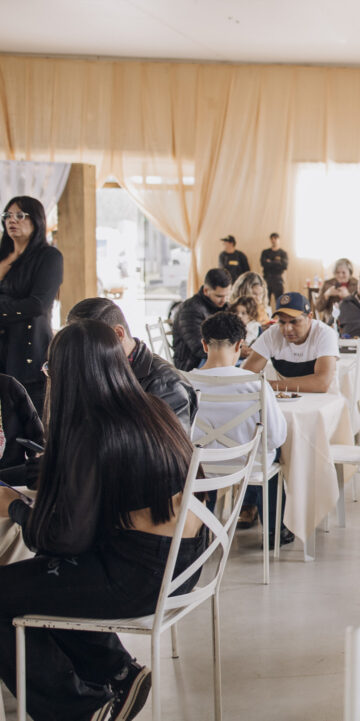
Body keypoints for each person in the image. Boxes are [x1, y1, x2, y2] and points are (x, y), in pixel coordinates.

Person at [0, 320, 207, 721]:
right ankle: (118, 672)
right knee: (37, 582)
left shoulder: (91, 428)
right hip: (183, 562)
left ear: (68, 375)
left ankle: (80, 708)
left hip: (139, 577)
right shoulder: (150, 408)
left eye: (50, 370)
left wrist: (13, 505)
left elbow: (63, 540)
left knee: (22, 583)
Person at [191, 311, 290, 543]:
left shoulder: (185, 381)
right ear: (239, 345)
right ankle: (275, 532)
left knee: (206, 462)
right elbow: (276, 437)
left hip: (199, 465)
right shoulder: (255, 384)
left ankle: (201, 530)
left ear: (204, 345)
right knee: (274, 457)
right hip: (249, 465)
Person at [66, 297, 198, 431]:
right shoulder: (99, 370)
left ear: (118, 334)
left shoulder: (166, 385)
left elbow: (170, 449)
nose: (80, 353)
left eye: (88, 344)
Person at [0, 196, 63, 413]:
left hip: (29, 356)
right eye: (7, 215)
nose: (12, 220)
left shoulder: (49, 257)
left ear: (36, 220)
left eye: (19, 215)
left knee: (32, 430)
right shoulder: (2, 256)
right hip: (3, 354)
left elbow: (37, 305)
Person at [243, 292, 339, 393]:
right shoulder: (272, 334)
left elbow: (321, 384)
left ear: (310, 317)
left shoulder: (324, 333)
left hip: (324, 402)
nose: (287, 328)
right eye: (282, 322)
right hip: (286, 401)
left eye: (294, 322)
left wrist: (270, 385)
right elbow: (247, 377)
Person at [172, 267, 232, 371]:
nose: (224, 300)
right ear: (206, 290)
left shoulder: (222, 306)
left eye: (227, 296)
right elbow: (199, 348)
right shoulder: (190, 310)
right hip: (192, 364)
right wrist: (231, 351)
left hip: (214, 359)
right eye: (219, 296)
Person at [316, 258, 357, 323]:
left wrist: (348, 296)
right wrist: (327, 294)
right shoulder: (327, 284)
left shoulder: (357, 285)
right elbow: (318, 308)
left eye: (343, 272)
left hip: (352, 321)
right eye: (337, 272)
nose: (340, 275)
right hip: (331, 322)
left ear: (350, 272)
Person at [259, 232, 288, 302]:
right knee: (265, 301)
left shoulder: (283, 253)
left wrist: (270, 262)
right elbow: (263, 264)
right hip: (267, 278)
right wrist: (277, 262)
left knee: (280, 301)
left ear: (278, 240)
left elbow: (284, 266)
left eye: (275, 238)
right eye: (272, 239)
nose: (274, 240)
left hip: (277, 279)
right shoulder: (265, 252)